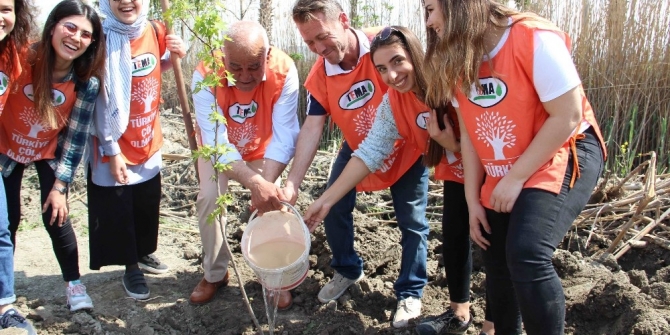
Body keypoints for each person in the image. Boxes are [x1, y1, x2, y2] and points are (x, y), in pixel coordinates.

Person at [422, 1, 606, 334]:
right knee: (495, 258)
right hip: (506, 160)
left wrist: (517, 177)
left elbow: (568, 115)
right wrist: (474, 201)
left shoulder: (533, 38)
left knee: (525, 252)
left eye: (433, 7)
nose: (430, 20)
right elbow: (475, 137)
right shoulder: (456, 60)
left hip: (563, 147)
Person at [286, 0, 428, 328]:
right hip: (359, 148)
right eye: (309, 43)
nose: (318, 48)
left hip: (408, 147)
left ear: (344, 20)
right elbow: (312, 127)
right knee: (331, 204)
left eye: (323, 37)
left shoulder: (384, 45)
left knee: (412, 220)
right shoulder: (320, 77)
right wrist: (293, 181)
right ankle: (347, 268)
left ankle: (410, 291)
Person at [0, 0, 104, 314]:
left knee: (56, 217)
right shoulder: (20, 58)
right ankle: (5, 294)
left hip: (47, 150)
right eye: (69, 27)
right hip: (5, 149)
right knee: (9, 220)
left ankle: (74, 284)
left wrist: (60, 187)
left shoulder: (86, 83)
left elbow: (76, 138)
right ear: (53, 26)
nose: (75, 37)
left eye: (85, 34)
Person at [189, 20, 299, 308]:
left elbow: (286, 134)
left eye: (254, 66)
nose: (245, 76)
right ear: (223, 57)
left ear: (267, 55)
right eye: (235, 67)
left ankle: (275, 276)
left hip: (264, 147)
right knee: (209, 199)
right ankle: (215, 274)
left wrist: (265, 185)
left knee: (273, 204)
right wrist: (253, 182)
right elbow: (216, 143)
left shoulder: (284, 71)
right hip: (218, 149)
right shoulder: (205, 74)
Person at [87, 0, 185, 300]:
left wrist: (177, 54)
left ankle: (143, 253)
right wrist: (111, 148)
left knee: (145, 201)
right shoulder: (98, 37)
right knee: (120, 206)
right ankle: (130, 265)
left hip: (147, 134)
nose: (126, 1)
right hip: (113, 138)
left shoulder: (154, 29)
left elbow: (158, 63)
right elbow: (100, 97)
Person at [0, 0, 36, 333]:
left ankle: (5, 306)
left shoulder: (13, 54)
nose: (1, 16)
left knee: (2, 230)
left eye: (5, 8)